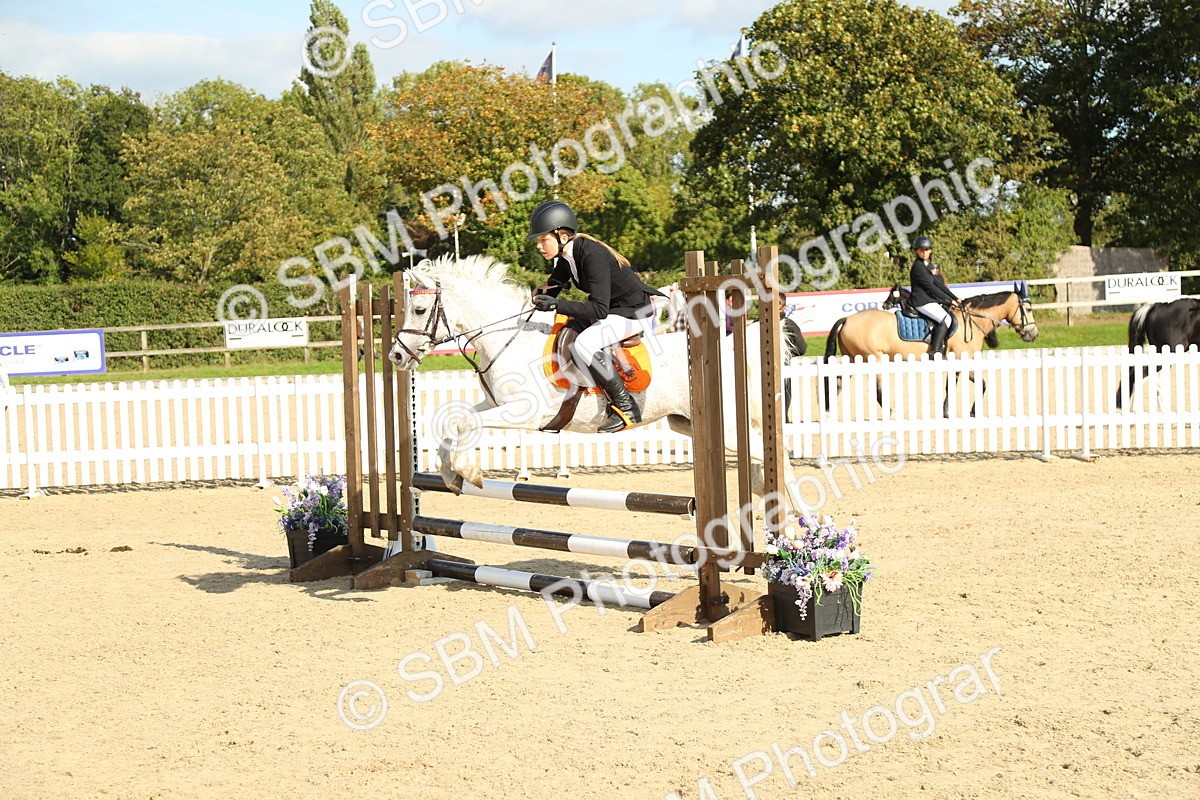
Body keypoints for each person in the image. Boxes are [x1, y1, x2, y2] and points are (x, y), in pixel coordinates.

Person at [527, 200, 665, 433]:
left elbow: (599, 309)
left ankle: (626, 408)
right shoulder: (568, 256)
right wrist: (539, 296)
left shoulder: (592, 255)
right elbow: (554, 285)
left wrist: (557, 305)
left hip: (632, 313)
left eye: (543, 239)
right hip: (614, 310)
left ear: (562, 236)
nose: (539, 246)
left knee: (584, 344)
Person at [908, 235, 961, 357]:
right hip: (921, 301)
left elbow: (937, 283)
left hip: (928, 300)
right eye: (921, 249)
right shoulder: (918, 267)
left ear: (930, 250)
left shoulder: (925, 265)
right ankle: (934, 352)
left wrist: (954, 298)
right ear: (916, 251)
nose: (924, 252)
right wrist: (948, 300)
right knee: (945, 319)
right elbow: (930, 287)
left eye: (926, 249)